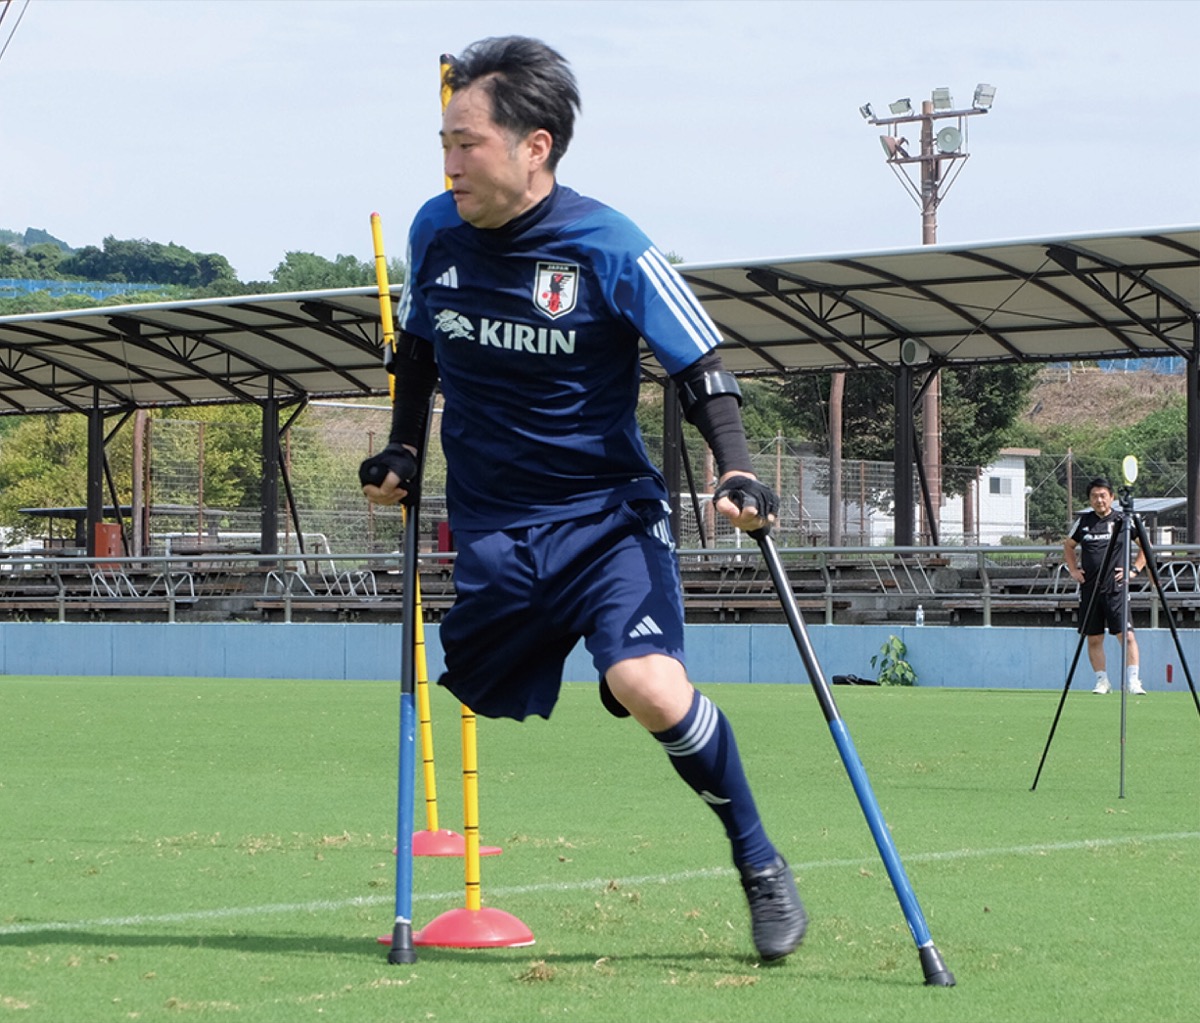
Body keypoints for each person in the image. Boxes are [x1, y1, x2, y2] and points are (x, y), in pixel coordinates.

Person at [359, 35, 806, 961]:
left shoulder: (611, 245)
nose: (449, 163)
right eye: (443, 142)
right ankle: (608, 666)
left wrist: (733, 469)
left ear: (537, 145)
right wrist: (403, 444)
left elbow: (701, 362)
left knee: (648, 685)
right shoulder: (432, 233)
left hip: (606, 518)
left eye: (467, 143)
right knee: (479, 677)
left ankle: (759, 860)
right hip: (492, 527)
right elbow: (421, 348)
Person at [1063, 477, 1147, 695]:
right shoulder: (1084, 522)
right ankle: (1102, 681)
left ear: (1112, 497)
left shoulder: (1124, 520)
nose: (1099, 500)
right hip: (1090, 588)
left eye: (1103, 495)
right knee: (1094, 637)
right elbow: (1069, 545)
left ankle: (1133, 681)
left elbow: (1145, 547)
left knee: (1126, 636)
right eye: (1094, 496)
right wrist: (1073, 570)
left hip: (1116, 587)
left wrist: (1134, 570)